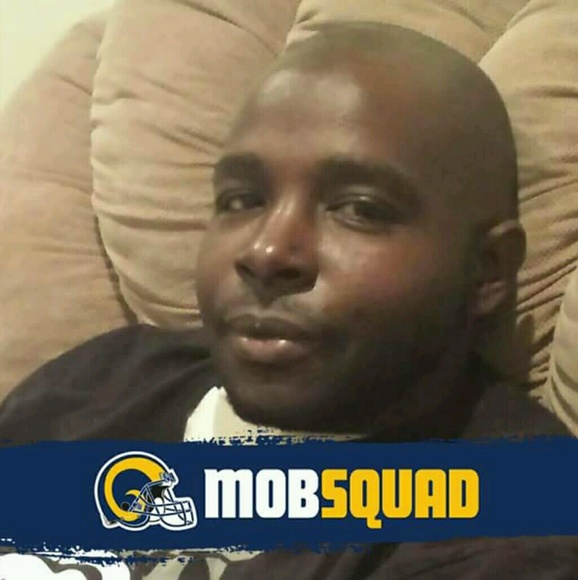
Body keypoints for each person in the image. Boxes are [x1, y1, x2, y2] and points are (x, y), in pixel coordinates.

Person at [1, 23, 577, 580]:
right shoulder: (107, 381)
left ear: (487, 271)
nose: (267, 250)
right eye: (241, 200)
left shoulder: (510, 519)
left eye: (360, 209)